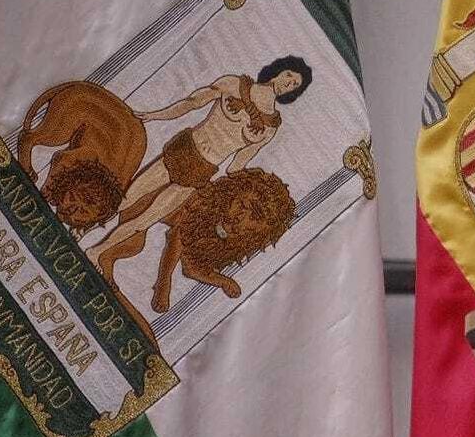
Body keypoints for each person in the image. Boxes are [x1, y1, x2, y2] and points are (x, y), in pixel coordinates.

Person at [84, 55, 311, 276]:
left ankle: (96, 252)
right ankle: (84, 230)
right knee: (126, 199)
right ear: (278, 70)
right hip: (184, 150)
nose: (288, 83)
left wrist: (258, 185)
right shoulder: (233, 84)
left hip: (202, 171)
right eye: (289, 75)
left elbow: (236, 166)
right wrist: (155, 116)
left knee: (145, 220)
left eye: (294, 85)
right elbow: (191, 103)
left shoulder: (270, 127)